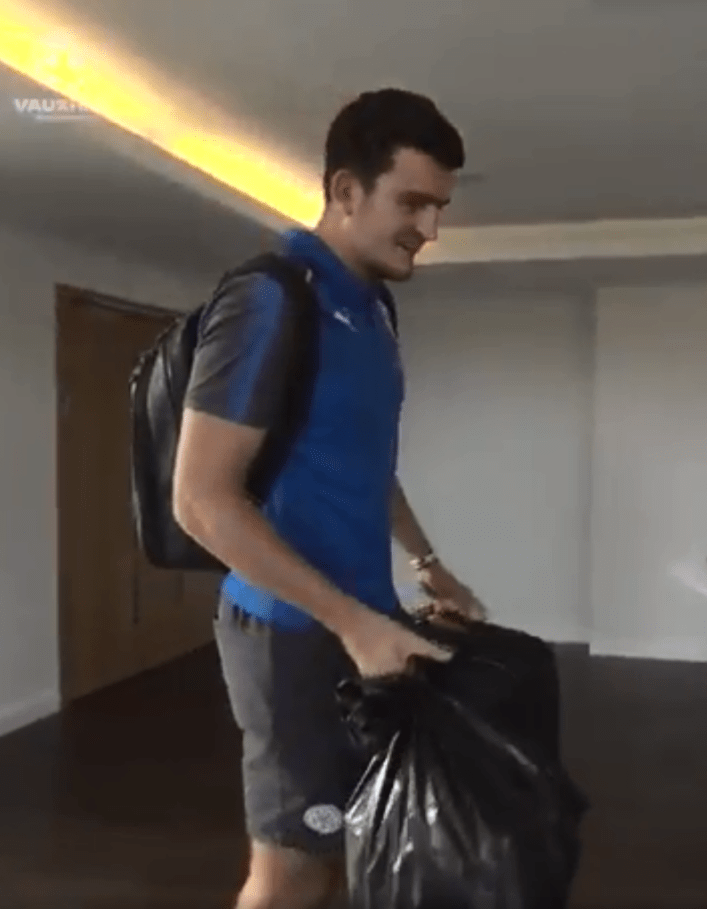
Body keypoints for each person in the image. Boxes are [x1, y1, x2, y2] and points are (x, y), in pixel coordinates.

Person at [172, 88, 484, 909]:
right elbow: (201, 501)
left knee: (347, 842)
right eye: (413, 202)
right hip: (288, 639)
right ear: (346, 191)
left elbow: (363, 460)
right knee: (291, 871)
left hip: (358, 623)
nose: (431, 227)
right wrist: (352, 623)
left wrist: (426, 562)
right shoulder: (272, 297)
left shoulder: (374, 307)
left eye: (440, 206)